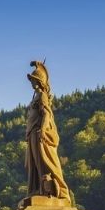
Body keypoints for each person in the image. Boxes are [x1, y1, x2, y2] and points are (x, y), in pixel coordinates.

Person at [24, 60, 69, 199]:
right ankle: (39, 189)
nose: (31, 82)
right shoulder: (36, 97)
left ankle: (54, 189)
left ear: (39, 81)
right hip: (33, 133)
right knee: (35, 164)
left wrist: (43, 130)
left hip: (39, 133)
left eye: (33, 79)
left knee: (43, 160)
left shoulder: (42, 96)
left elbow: (46, 114)